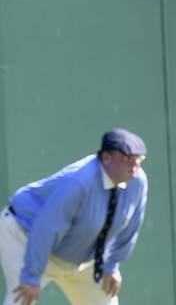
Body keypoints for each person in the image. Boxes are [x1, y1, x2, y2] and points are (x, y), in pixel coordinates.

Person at [0, 128, 148, 305]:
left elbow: (130, 228)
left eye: (138, 158)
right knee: (21, 300)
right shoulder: (79, 183)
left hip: (82, 258)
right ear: (106, 157)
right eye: (127, 158)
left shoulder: (137, 182)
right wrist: (32, 276)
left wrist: (111, 265)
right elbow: (46, 227)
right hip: (24, 236)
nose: (134, 164)